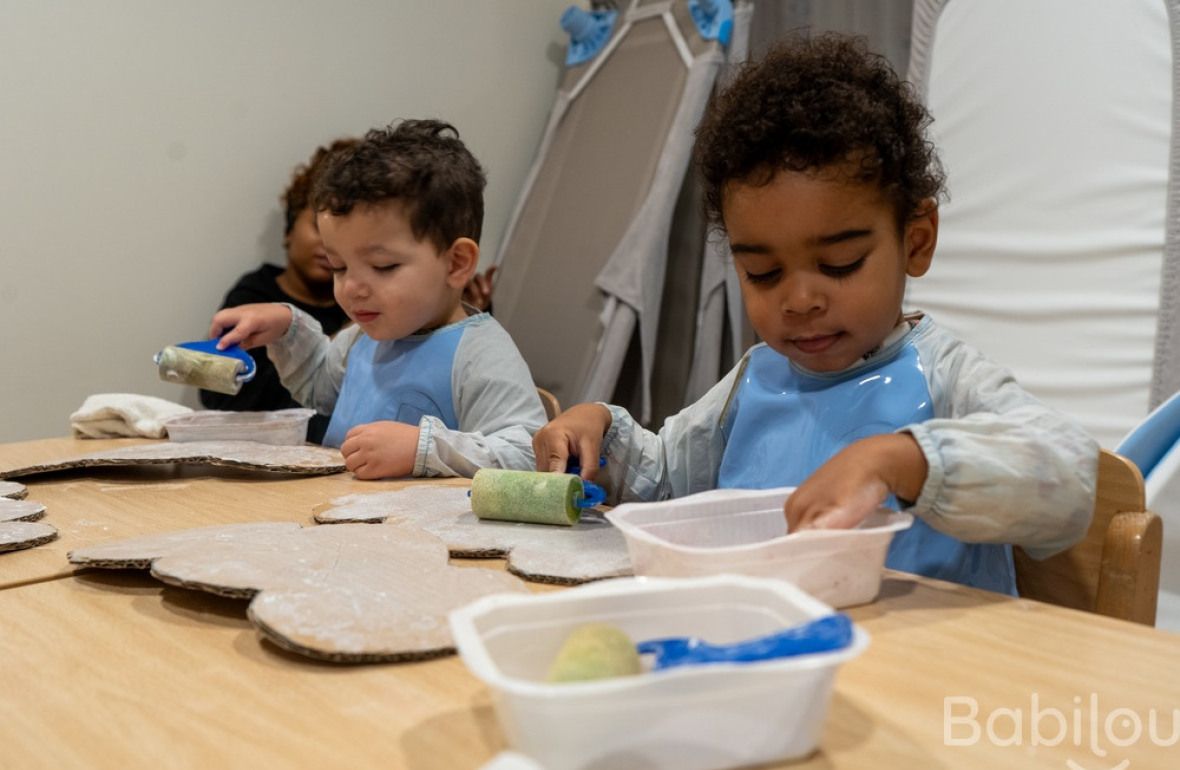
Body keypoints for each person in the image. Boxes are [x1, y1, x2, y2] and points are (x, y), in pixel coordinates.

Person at [532, 34, 1098, 594]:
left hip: (921, 670)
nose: (799, 300)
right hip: (776, 651)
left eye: (840, 263)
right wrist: (601, 438)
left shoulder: (944, 377)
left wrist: (902, 461)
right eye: (763, 273)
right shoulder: (753, 382)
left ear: (916, 241)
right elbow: (665, 478)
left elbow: (1068, 476)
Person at [209, 119, 546, 479]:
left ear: (456, 263)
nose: (352, 287)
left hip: (419, 532)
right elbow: (320, 389)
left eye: (383, 266)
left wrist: (422, 449)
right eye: (339, 267)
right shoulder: (362, 336)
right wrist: (287, 328)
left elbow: (528, 454)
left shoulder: (479, 353)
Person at [200, 139, 354, 443]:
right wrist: (352, 336)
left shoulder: (362, 301)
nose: (328, 245)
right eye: (317, 227)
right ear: (288, 229)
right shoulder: (254, 298)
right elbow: (221, 396)